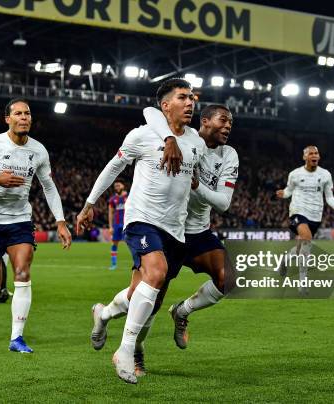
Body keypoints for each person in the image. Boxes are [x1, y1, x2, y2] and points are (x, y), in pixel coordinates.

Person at [89, 104, 239, 376]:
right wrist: (169, 139)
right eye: (224, 120)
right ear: (205, 121)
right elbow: (150, 111)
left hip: (198, 232)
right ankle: (109, 320)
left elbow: (224, 204)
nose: (228, 126)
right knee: (145, 298)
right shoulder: (179, 135)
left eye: (231, 122)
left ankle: (182, 311)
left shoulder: (228, 155)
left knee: (227, 278)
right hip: (166, 228)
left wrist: (198, 186)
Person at [76, 78, 205, 384]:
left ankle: (103, 314)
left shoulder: (196, 142)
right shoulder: (143, 135)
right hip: (142, 220)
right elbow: (113, 167)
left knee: (144, 295)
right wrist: (89, 203)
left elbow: (192, 179)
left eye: (192, 99)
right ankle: (126, 349)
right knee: (156, 272)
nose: (190, 103)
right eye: (183, 98)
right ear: (165, 105)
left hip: (176, 229)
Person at [0, 98, 72, 353]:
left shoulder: (39, 151)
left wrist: (61, 222)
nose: (24, 118)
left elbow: (49, 187)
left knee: (22, 273)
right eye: (18, 114)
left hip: (20, 221)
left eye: (28, 114)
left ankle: (16, 338)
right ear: (7, 119)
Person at [276, 146, 334, 295]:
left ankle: (286, 259)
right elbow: (289, 191)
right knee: (307, 238)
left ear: (319, 157)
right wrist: (283, 194)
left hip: (315, 215)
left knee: (301, 248)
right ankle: (302, 283)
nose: (314, 155)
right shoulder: (295, 174)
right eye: (311, 153)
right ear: (305, 157)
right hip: (297, 212)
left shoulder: (326, 175)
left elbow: (329, 196)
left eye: (316, 153)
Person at [107, 180, 128, 270]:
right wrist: (110, 226)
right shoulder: (113, 199)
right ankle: (114, 264)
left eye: (118, 185)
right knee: (114, 243)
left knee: (132, 243)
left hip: (127, 224)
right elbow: (110, 213)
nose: (117, 187)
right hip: (116, 224)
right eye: (115, 186)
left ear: (123, 186)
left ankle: (139, 263)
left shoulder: (129, 196)